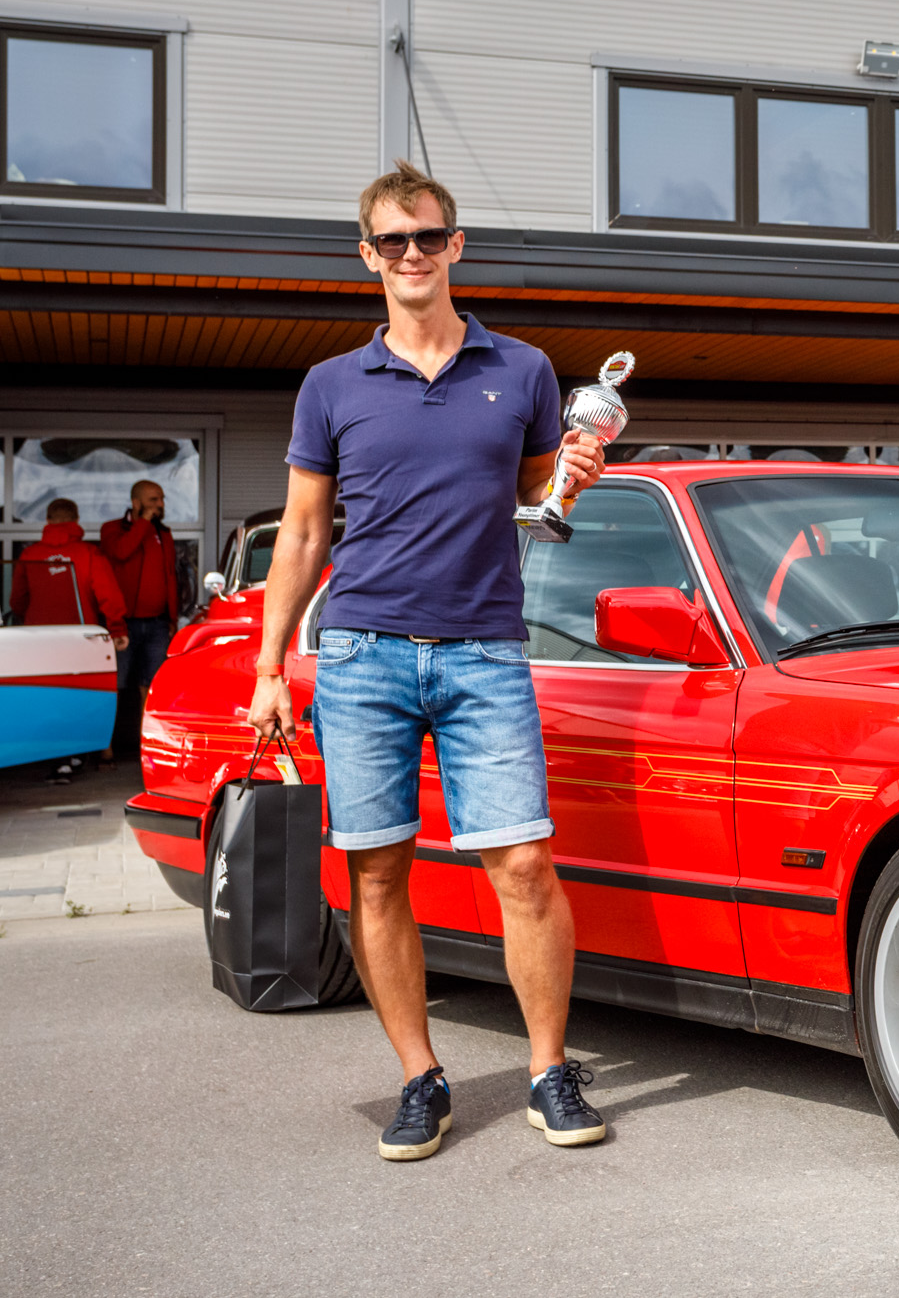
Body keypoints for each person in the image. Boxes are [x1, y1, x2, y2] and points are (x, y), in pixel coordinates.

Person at [248, 160, 609, 1162]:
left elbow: (538, 497)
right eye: (392, 240)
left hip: (484, 650)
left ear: (455, 246)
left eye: (427, 237)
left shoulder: (523, 370)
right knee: (376, 876)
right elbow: (303, 533)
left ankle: (547, 1070)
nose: (411, 254)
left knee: (525, 865)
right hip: (361, 653)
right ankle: (419, 1076)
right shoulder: (330, 385)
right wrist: (271, 666)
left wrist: (573, 475)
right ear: (368, 255)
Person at [12, 499, 130, 781]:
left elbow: (17, 600)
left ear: (48, 520)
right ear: (76, 519)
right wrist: (116, 629)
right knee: (80, 694)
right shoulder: (88, 553)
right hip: (79, 637)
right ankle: (72, 754)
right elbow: (108, 594)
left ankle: (60, 758)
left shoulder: (30, 555)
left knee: (46, 696)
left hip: (37, 638)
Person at [100, 479, 182, 752]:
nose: (160, 505)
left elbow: (170, 576)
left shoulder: (163, 533)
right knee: (114, 685)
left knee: (152, 687)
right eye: (153, 500)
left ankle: (146, 748)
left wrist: (172, 618)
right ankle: (106, 748)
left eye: (161, 499)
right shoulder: (112, 529)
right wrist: (143, 522)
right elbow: (121, 552)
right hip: (123, 625)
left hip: (158, 624)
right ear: (136, 503)